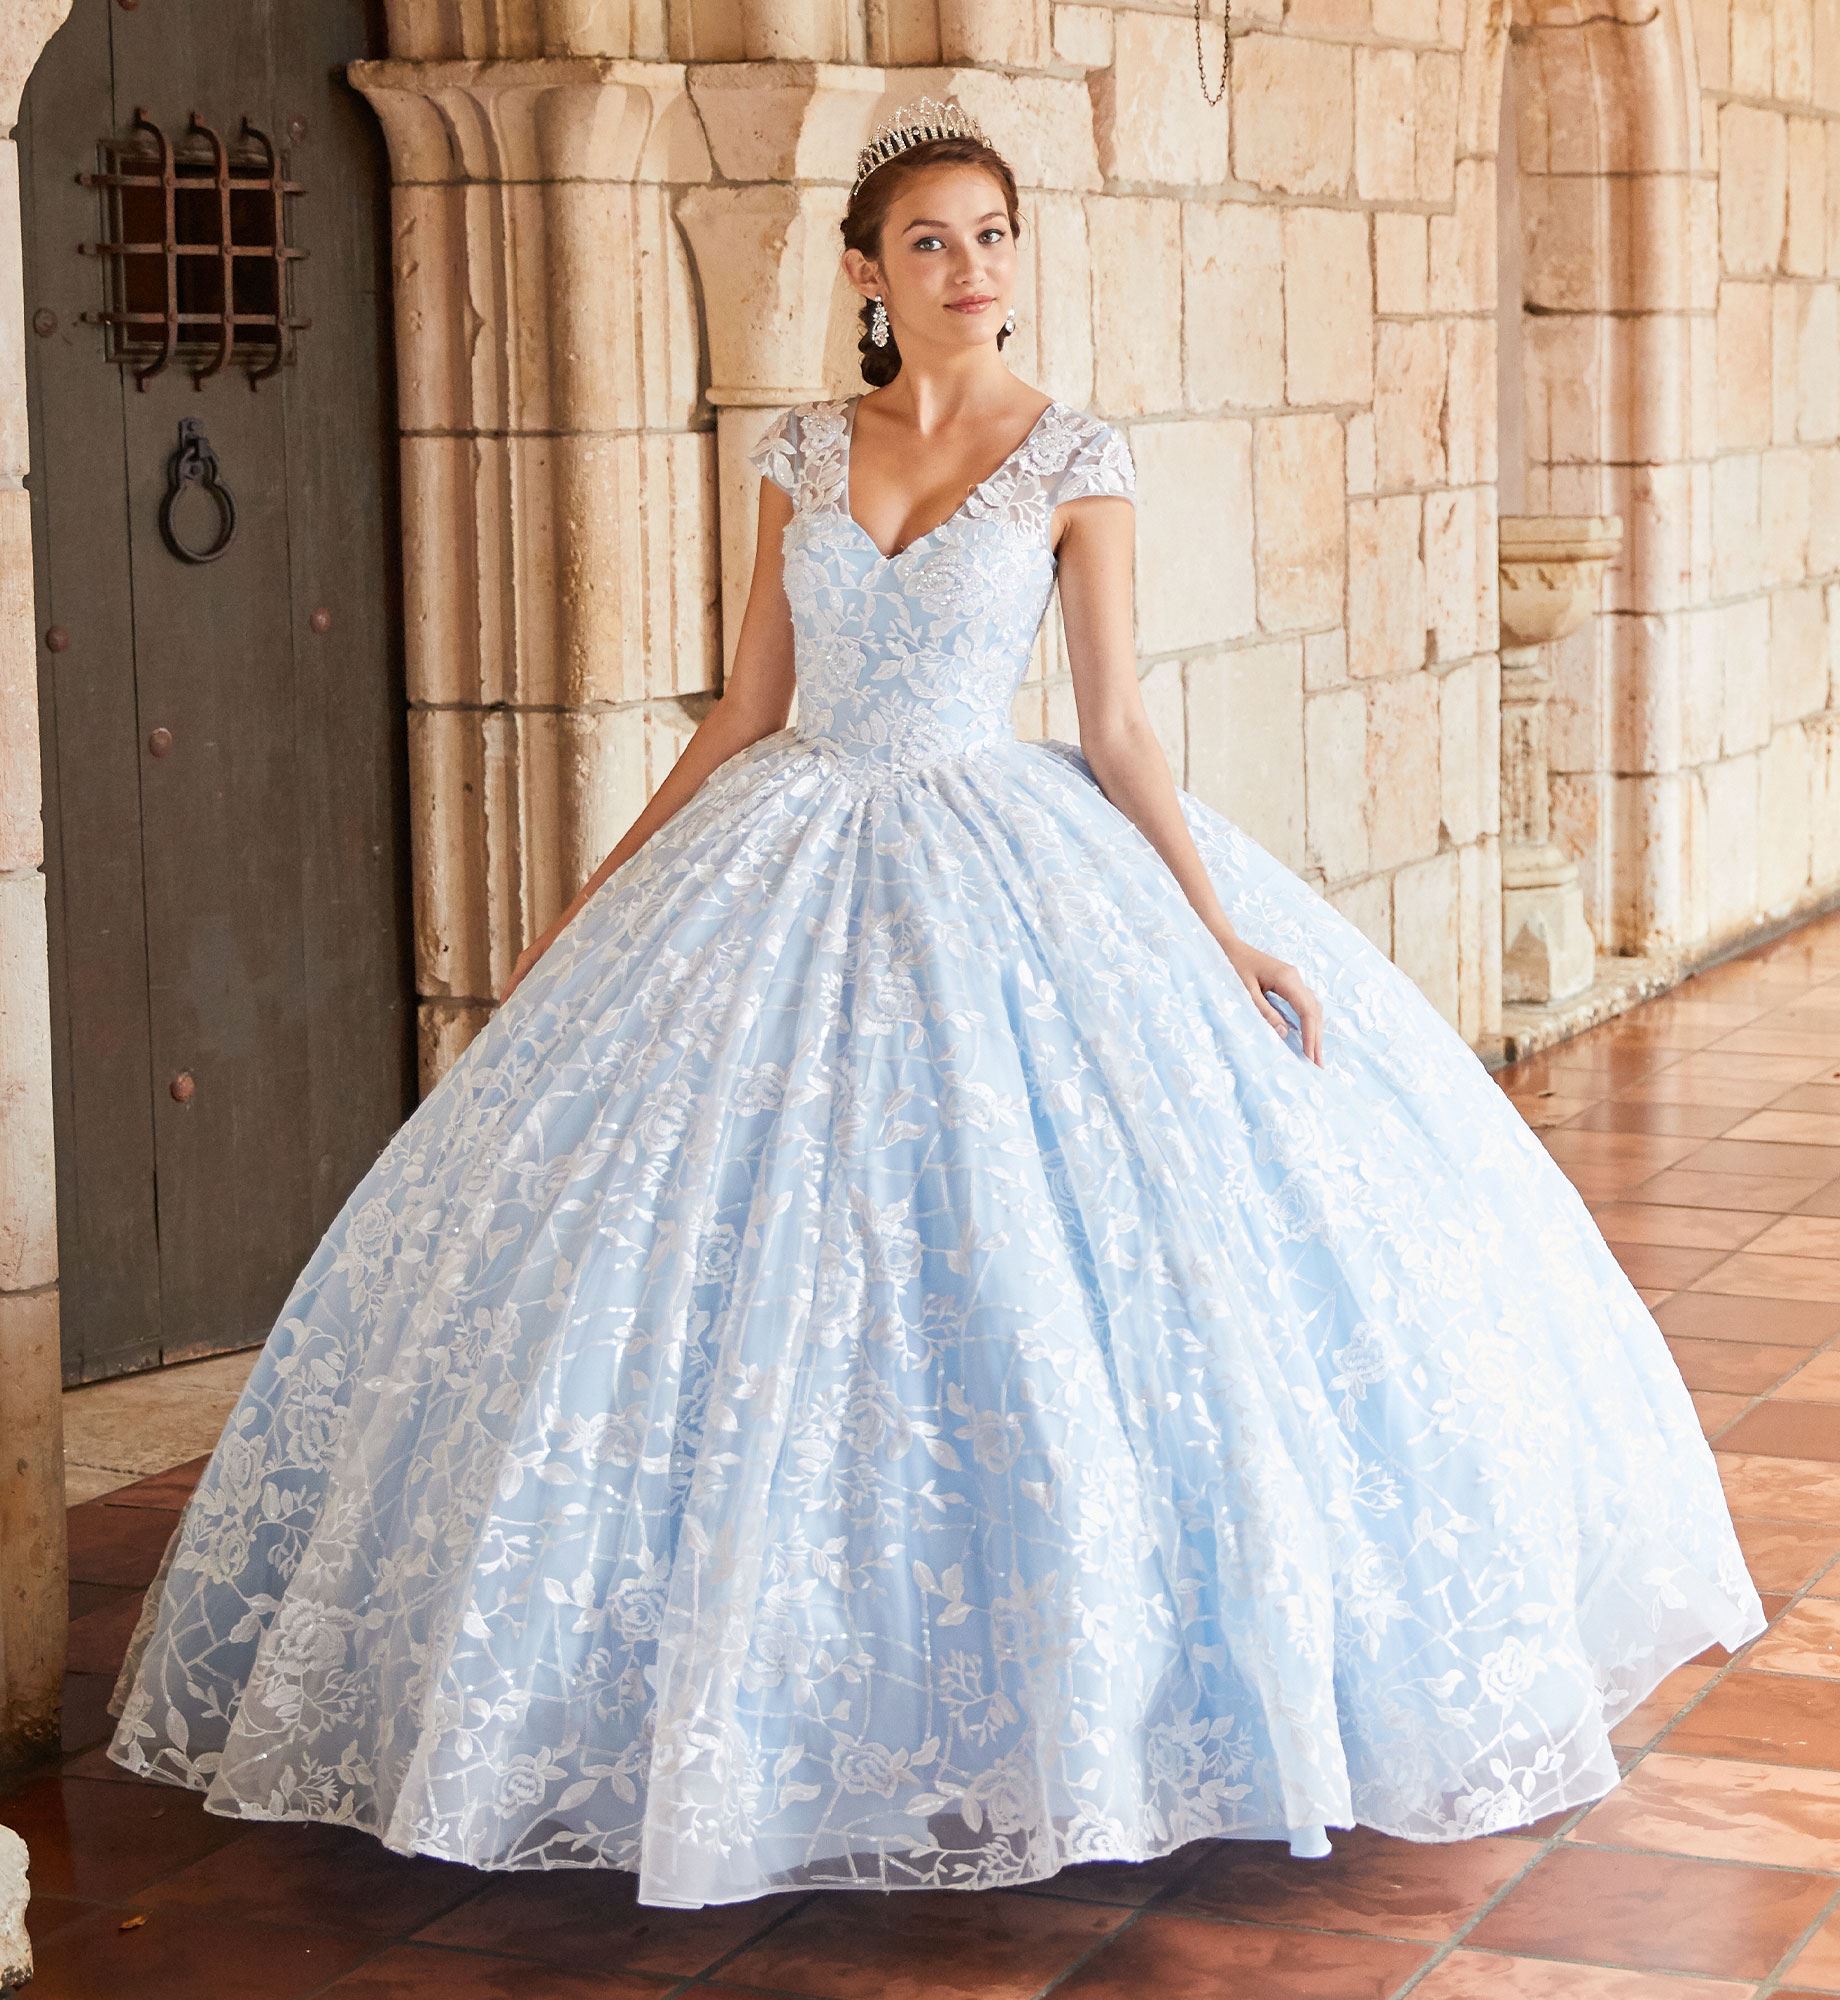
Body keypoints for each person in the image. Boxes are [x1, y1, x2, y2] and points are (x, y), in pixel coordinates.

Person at [107, 96, 1765, 1911]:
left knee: (1025, 1263)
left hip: (1001, 843)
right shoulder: (804, 452)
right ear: (867, 275)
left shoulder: (1078, 456)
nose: (969, 270)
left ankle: (1069, 1716)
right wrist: (604, 889)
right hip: (788, 842)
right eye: (930, 243)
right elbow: (746, 705)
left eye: (992, 235)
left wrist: (1215, 934)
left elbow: (1120, 721)